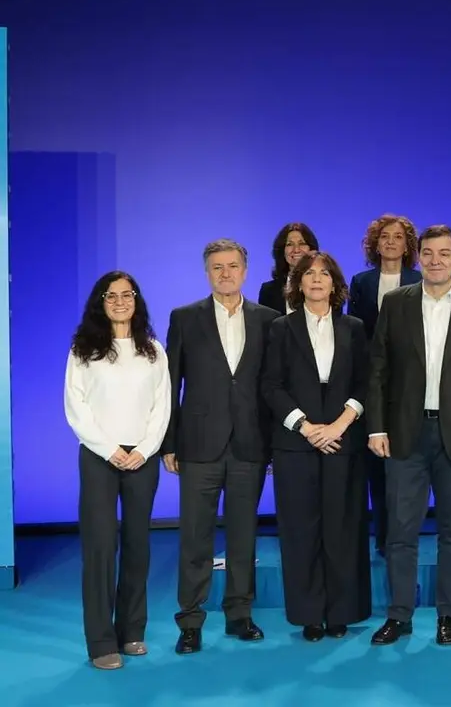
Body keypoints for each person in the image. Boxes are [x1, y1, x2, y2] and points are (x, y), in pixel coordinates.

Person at [366, 225, 451, 646]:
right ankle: (400, 615)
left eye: (445, 253)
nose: (436, 260)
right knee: (400, 531)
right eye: (429, 253)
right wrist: (376, 426)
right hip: (405, 434)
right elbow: (378, 371)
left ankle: (448, 616)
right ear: (418, 257)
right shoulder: (395, 303)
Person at [163, 239, 279, 655]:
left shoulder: (268, 319)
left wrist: (273, 445)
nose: (225, 273)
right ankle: (190, 622)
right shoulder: (184, 318)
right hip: (197, 446)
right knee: (195, 537)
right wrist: (169, 442)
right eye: (217, 267)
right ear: (207, 272)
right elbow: (170, 384)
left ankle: (239, 615)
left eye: (232, 266)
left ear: (245, 271)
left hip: (250, 444)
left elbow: (272, 387)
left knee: (244, 535)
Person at [63, 271, 171, 670]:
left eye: (128, 295)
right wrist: (110, 449)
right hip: (98, 457)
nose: (121, 301)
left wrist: (144, 449)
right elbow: (76, 408)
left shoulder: (154, 351)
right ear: (100, 301)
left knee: (138, 546)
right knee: (101, 547)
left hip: (143, 458)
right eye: (112, 295)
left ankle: (132, 632)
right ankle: (101, 642)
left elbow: (163, 407)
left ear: (137, 300)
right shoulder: (83, 349)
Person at [262, 250, 372, 641]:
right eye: (309, 274)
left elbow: (365, 383)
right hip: (296, 444)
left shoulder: (355, 327)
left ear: (335, 284)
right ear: (298, 283)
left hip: (344, 441)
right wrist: (307, 428)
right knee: (301, 530)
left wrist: (340, 425)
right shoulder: (280, 328)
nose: (316, 279)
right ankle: (310, 615)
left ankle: (342, 611)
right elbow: (271, 386)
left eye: (324, 274)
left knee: (343, 528)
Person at [347, 214, 422, 556]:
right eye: (384, 237)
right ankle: (381, 534)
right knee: (376, 462)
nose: (391, 242)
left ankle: (402, 533)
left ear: (408, 246)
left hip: (410, 384)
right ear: (375, 244)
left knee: (407, 462)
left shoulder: (420, 280)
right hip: (371, 381)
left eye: (397, 237)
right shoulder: (361, 282)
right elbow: (354, 332)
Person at [257, 222, 319, 315]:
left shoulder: (324, 287)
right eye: (290, 244)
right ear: (282, 251)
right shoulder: (268, 291)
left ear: (311, 249)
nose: (296, 249)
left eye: (302, 243)